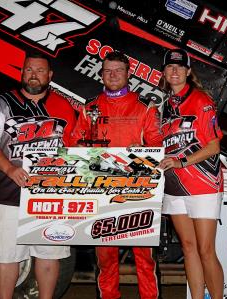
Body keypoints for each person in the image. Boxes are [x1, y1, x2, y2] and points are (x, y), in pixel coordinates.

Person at [0, 51, 76, 298]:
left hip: (51, 195)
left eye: (40, 70)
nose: (34, 75)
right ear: (22, 72)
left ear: (50, 75)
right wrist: (9, 168)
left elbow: (75, 148)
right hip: (11, 194)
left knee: (48, 256)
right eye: (29, 69)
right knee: (8, 256)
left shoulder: (63, 106)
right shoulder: (3, 102)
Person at [71, 51, 162, 299]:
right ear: (101, 74)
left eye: (118, 70)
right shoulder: (90, 107)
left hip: (138, 191)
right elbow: (75, 144)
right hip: (101, 190)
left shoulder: (145, 107)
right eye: (108, 71)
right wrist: (84, 151)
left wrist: (142, 153)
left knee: (144, 258)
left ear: (128, 74)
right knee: (106, 258)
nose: (113, 75)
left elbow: (157, 145)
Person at [158, 49, 224, 299]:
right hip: (175, 186)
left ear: (188, 71)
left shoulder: (201, 101)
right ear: (164, 73)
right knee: (188, 248)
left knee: (206, 250)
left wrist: (181, 161)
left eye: (179, 67)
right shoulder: (164, 106)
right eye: (169, 67)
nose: (174, 71)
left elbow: (213, 147)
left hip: (204, 184)